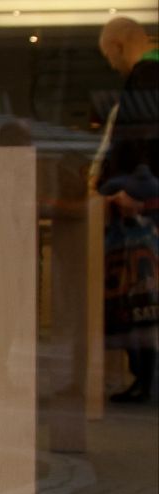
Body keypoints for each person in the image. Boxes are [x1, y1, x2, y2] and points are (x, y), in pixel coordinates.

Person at [96, 16, 158, 403]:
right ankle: (145, 378)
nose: (111, 65)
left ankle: (146, 378)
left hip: (139, 203)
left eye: (109, 56)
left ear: (119, 45)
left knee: (139, 291)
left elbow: (142, 142)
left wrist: (132, 190)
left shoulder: (146, 77)